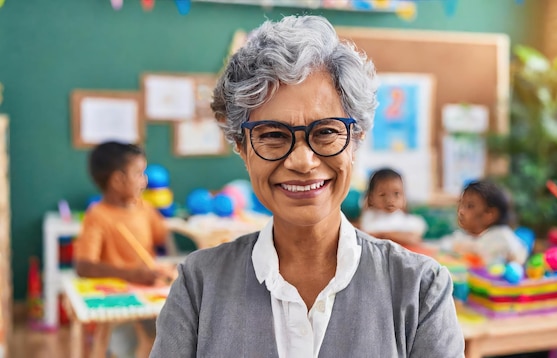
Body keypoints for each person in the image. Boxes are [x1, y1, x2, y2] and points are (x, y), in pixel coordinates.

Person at [151, 15, 464, 357]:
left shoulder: (420, 289)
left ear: (356, 138)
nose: (302, 161)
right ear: (242, 148)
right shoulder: (198, 285)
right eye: (272, 135)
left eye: (327, 131)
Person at [74, 141, 170, 358]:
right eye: (139, 173)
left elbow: (162, 238)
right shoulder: (98, 216)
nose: (144, 180)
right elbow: (84, 266)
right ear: (118, 180)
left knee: (171, 334)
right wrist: (131, 274)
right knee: (132, 346)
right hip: (119, 303)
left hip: (148, 295)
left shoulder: (144, 208)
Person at [439, 180, 528, 266]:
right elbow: (444, 246)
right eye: (461, 204)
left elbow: (519, 254)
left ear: (489, 215)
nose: (461, 211)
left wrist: (515, 262)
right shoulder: (462, 235)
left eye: (470, 206)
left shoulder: (501, 235)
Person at [360, 168, 428, 247]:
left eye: (396, 194)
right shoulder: (370, 217)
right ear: (371, 198)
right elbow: (368, 235)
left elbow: (414, 238)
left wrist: (385, 235)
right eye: (382, 195)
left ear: (404, 197)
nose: (389, 200)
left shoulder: (408, 220)